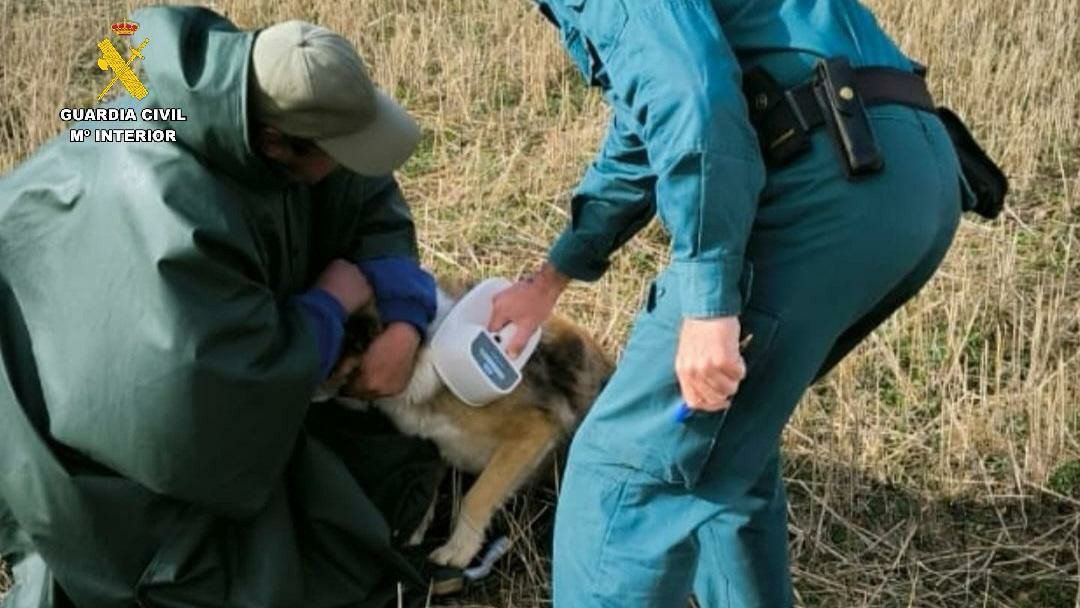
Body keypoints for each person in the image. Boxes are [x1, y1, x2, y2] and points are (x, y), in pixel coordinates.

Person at [488, 0, 971, 605]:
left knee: (623, 477)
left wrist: (711, 302)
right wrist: (550, 278)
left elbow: (692, 97)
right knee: (722, 452)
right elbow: (653, 120)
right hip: (903, 172)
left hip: (827, 185)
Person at [0, 7, 444, 607]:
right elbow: (193, 400)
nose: (344, 165)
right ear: (274, 144)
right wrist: (330, 304)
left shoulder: (256, 96)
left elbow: (364, 192)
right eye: (334, 154)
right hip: (68, 406)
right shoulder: (166, 208)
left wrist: (404, 312)